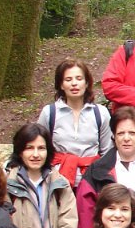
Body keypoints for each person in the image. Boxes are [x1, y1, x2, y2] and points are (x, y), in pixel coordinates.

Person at [39, 60, 113, 188]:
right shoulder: (49, 113)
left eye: (79, 78)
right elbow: (40, 146)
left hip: (92, 180)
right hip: (57, 181)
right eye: (68, 79)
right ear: (61, 85)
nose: (74, 83)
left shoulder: (100, 113)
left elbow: (107, 151)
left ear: (86, 82)